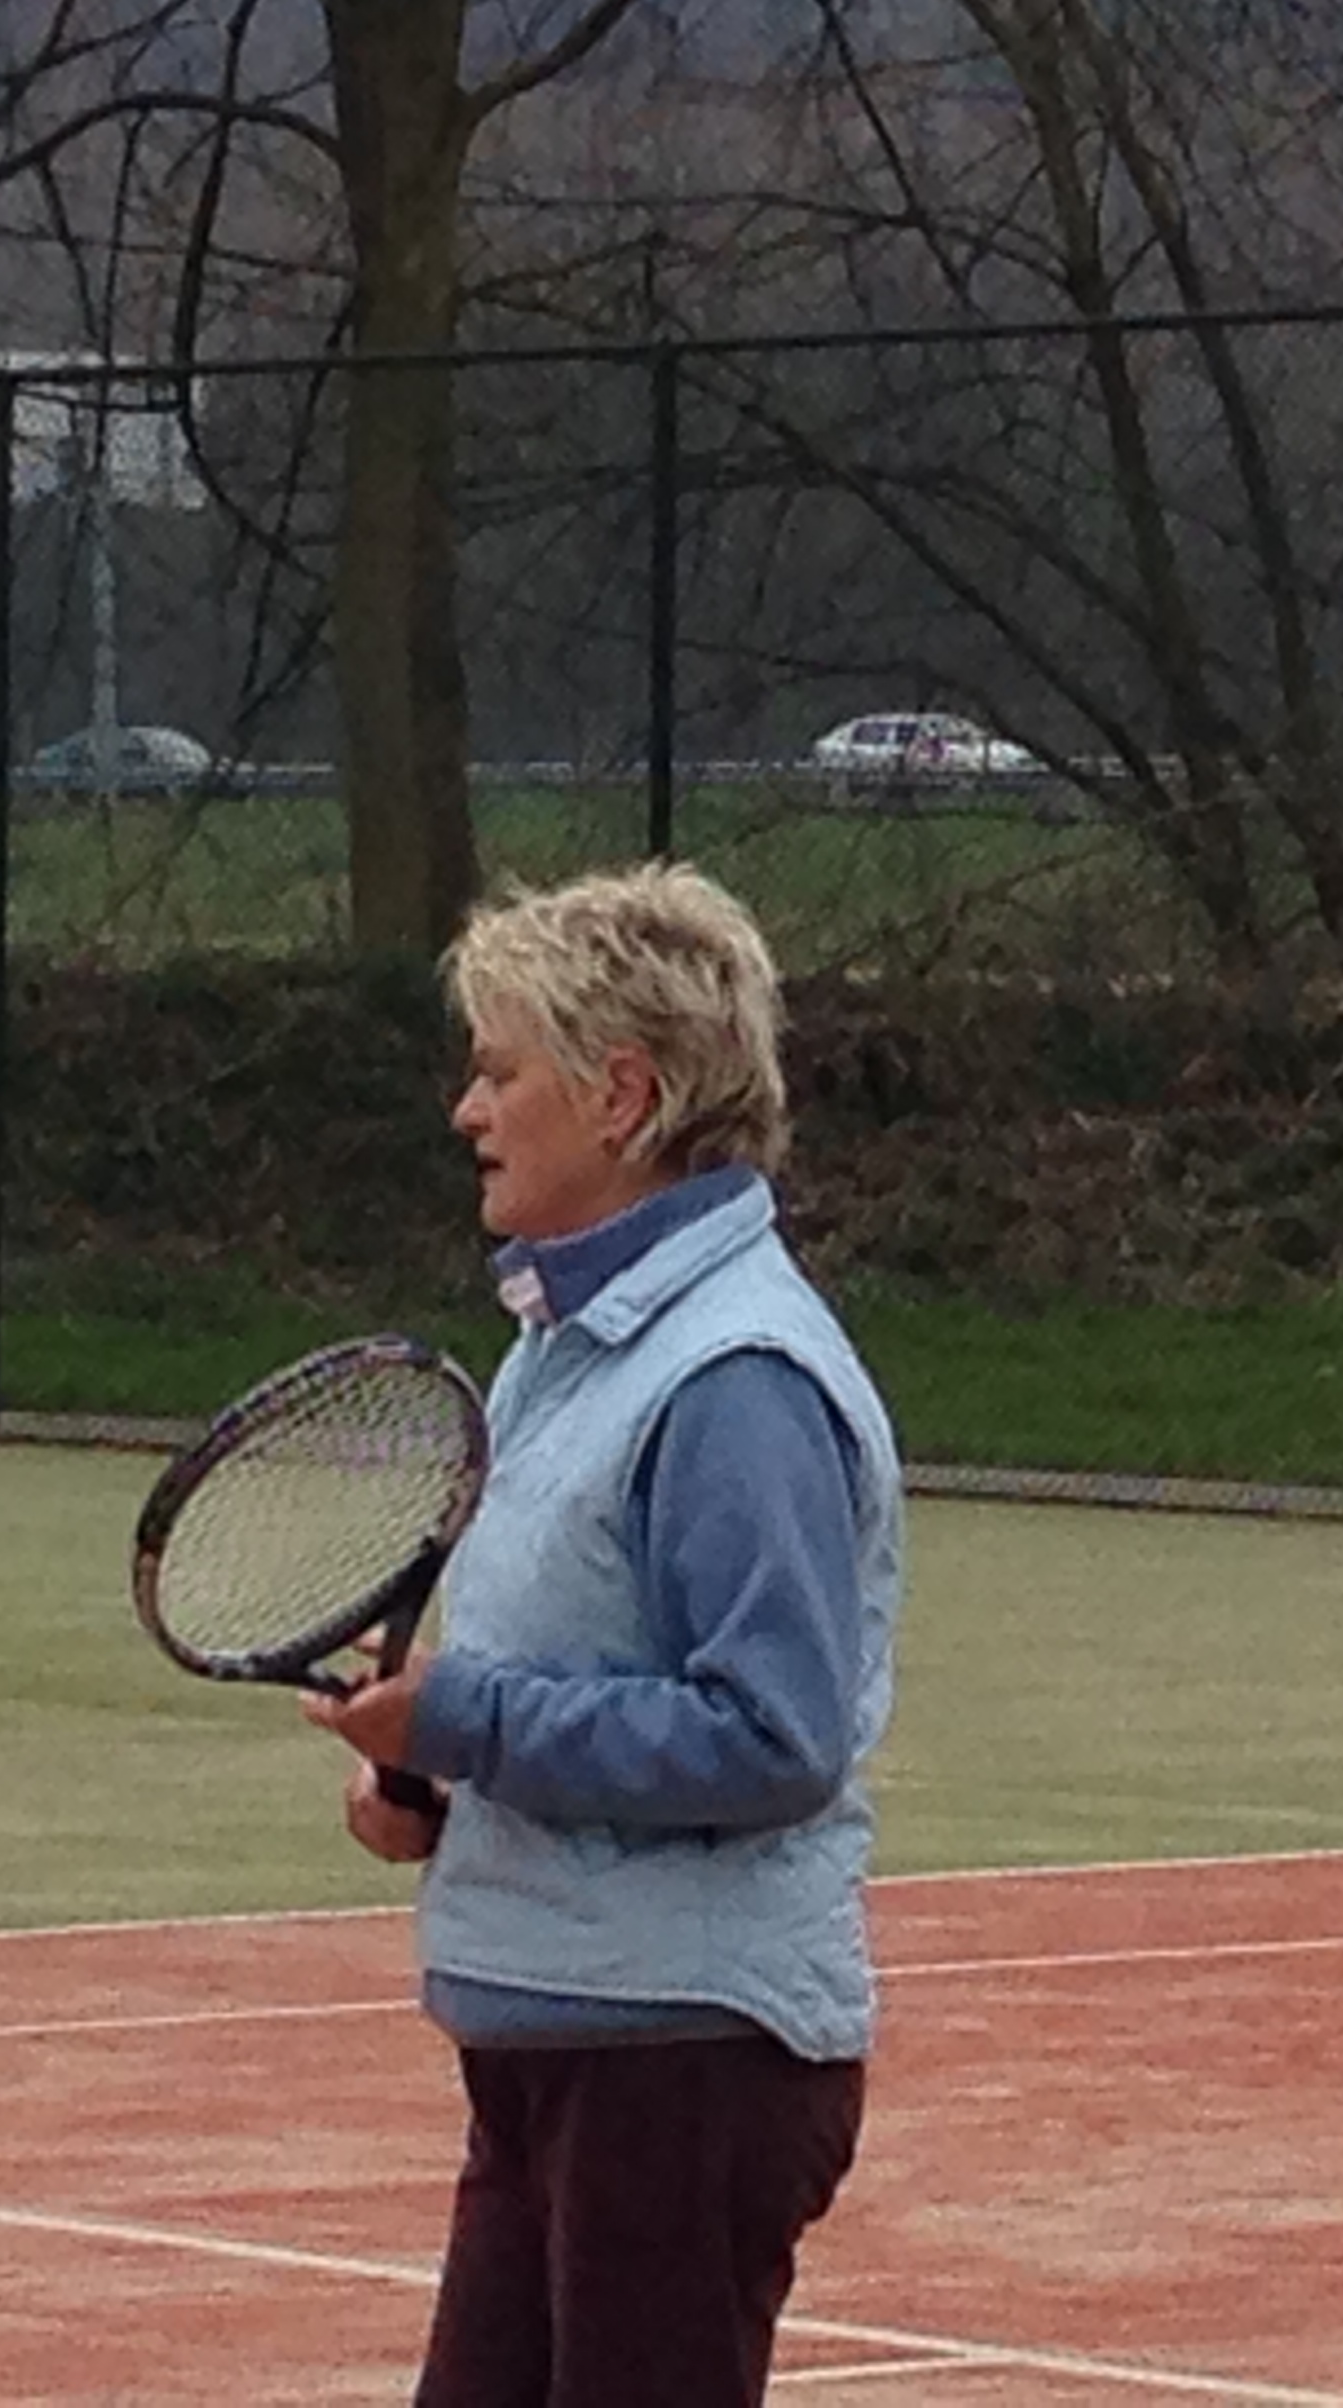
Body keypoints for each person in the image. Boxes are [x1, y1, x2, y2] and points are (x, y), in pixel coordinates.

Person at [304, 862, 904, 2407]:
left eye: (501, 1072)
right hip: (558, 2040)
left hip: (682, 2058)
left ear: (623, 1097)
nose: (468, 1111)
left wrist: (466, 1722)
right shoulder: (567, 1346)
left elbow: (772, 1735)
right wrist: (433, 1780)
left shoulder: (736, 1378)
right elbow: (585, 1664)